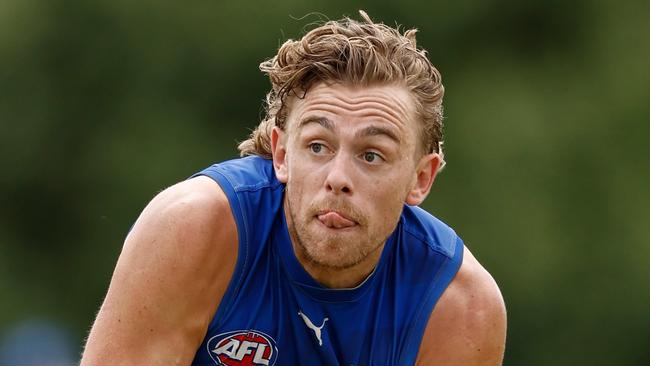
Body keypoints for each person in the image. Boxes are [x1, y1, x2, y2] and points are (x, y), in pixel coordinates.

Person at [81, 11, 506, 366]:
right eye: (318, 146)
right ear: (282, 155)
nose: (338, 177)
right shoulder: (191, 228)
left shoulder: (460, 307)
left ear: (421, 179)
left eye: (371, 155)